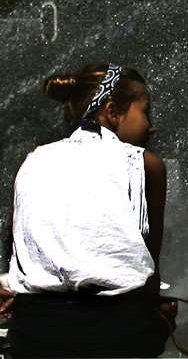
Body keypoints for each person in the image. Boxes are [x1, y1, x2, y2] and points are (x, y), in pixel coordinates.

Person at [7, 64, 171, 358]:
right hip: (117, 333)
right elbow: (150, 281)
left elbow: (23, 252)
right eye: (147, 111)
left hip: (36, 333)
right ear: (113, 112)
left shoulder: (33, 161)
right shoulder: (146, 164)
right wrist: (162, 315)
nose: (152, 125)